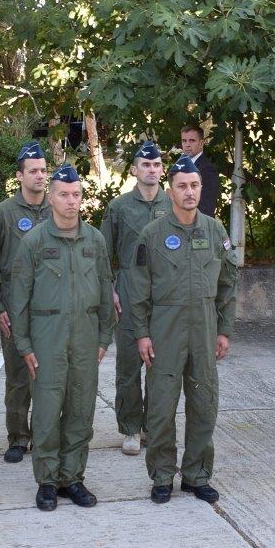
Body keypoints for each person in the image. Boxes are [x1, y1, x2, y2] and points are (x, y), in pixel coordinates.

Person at [131, 155, 237, 505]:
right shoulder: (153, 234)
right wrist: (142, 333)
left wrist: (224, 329)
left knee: (204, 404)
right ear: (170, 190)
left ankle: (196, 474)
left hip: (205, 328)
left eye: (194, 186)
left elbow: (228, 283)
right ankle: (162, 475)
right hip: (165, 328)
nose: (189, 192)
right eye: (182, 186)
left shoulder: (215, 230)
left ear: (200, 189)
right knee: (161, 406)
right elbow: (139, 287)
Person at [10, 163, 115, 511]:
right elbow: (19, 299)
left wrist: (103, 339)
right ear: (51, 198)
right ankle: (47, 481)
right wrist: (24, 345)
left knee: (81, 411)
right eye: (64, 195)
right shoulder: (34, 241)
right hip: (47, 340)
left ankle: (73, 478)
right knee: (47, 413)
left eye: (76, 195)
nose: (71, 201)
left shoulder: (94, 240)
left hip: (85, 340)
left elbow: (105, 289)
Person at [99, 140, 169, 455]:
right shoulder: (119, 207)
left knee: (160, 365)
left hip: (165, 294)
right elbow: (103, 253)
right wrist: (109, 289)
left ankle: (154, 427)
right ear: (134, 170)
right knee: (129, 364)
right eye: (146, 164)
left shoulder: (173, 204)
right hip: (128, 291)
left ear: (162, 169)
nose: (151, 170)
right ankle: (130, 428)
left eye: (156, 165)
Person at [0, 141, 51, 464]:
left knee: (47, 377)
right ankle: (17, 436)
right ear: (19, 176)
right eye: (33, 171)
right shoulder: (2, 214)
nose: (40, 176)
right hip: (15, 311)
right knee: (18, 377)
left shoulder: (56, 209)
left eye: (43, 170)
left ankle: (43, 436)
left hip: (50, 311)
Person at [180, 123, 220, 217]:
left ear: (201, 143)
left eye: (192, 141)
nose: (187, 145)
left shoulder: (208, 170)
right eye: (184, 141)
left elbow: (206, 208)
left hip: (198, 227)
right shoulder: (180, 166)